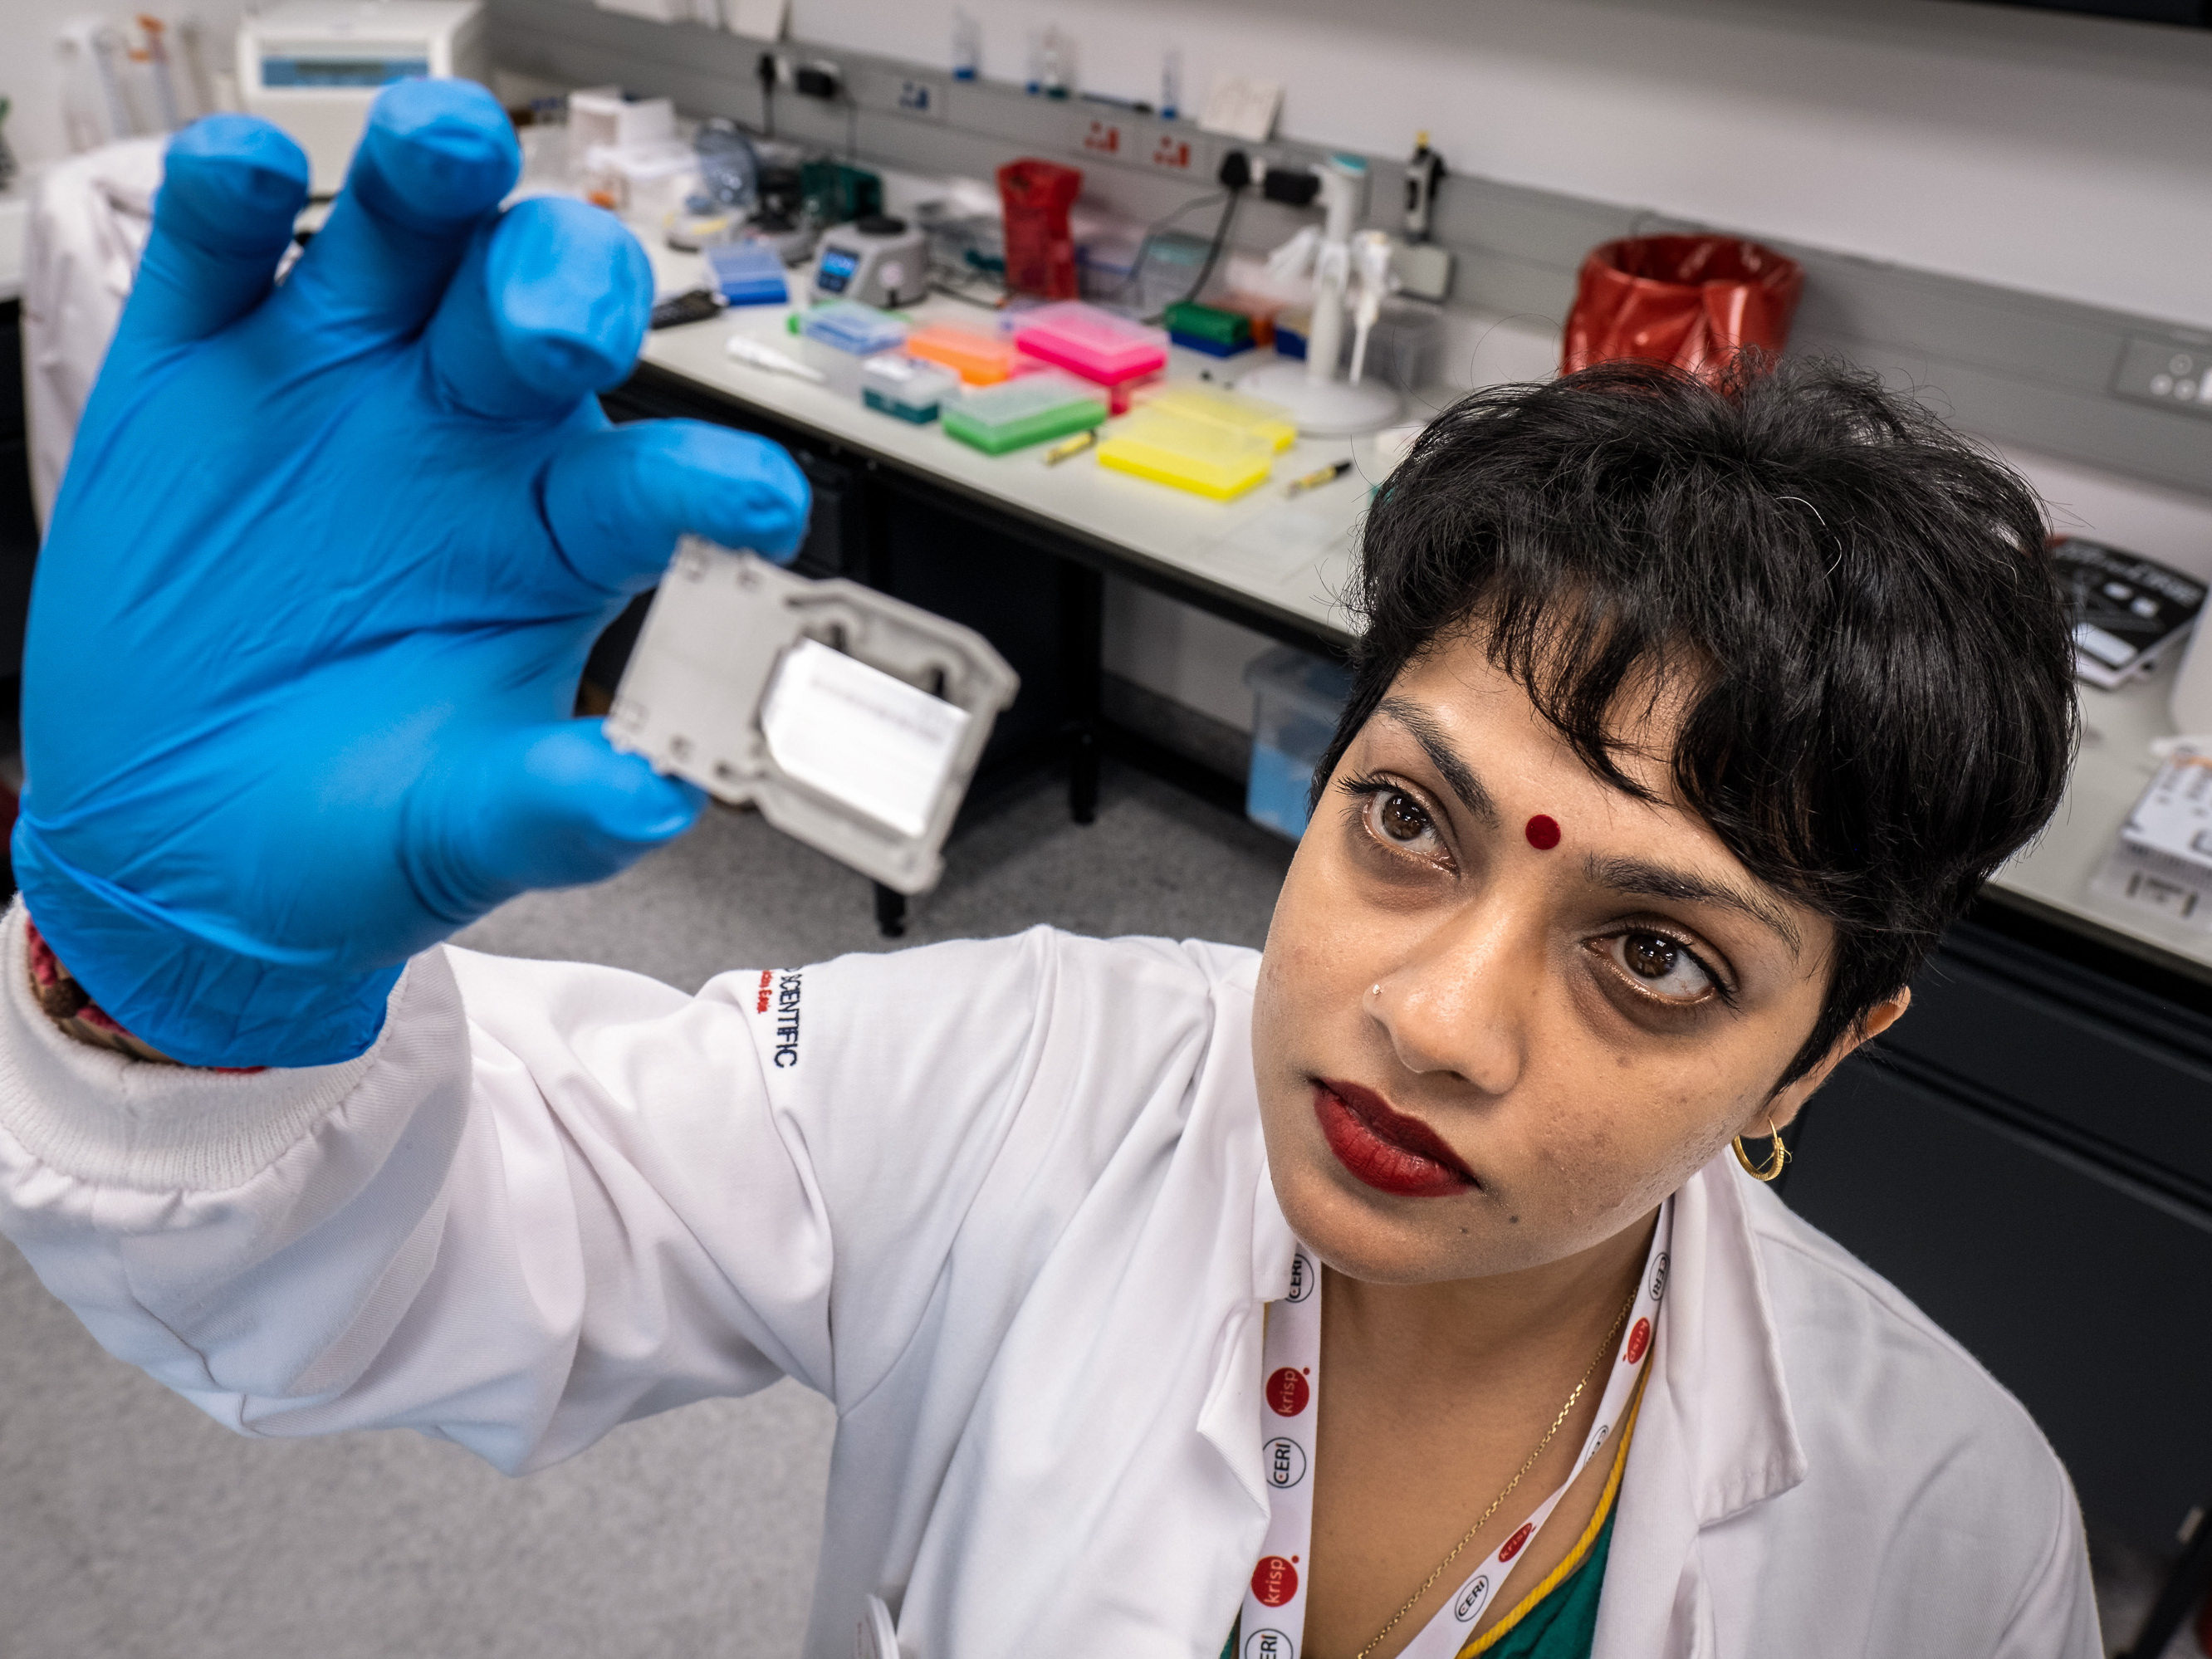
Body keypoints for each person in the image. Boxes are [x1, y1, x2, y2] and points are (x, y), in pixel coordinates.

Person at [0, 81, 2094, 1659]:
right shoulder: (1021, 1083)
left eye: (1656, 957)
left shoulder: (1949, 1538)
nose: (1439, 1020)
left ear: (1822, 1053)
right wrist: (176, 989)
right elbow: (468, 1232)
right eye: (1405, 820)